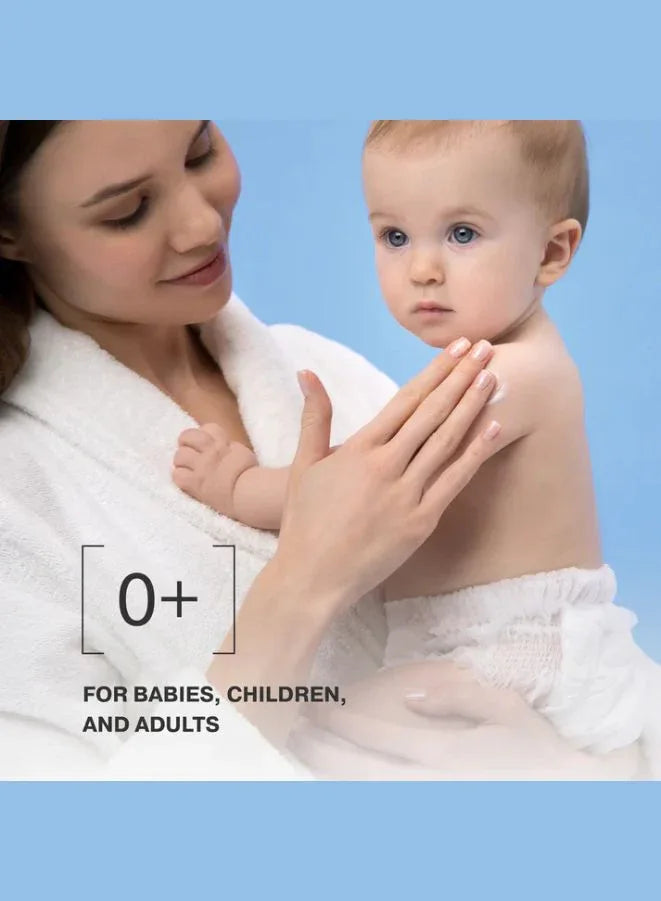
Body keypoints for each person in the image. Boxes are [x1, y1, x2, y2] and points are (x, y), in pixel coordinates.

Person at [0, 120, 648, 780]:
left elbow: (354, 484)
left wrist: (575, 776)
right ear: (8, 229)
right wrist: (303, 576)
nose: (201, 226)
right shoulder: (19, 506)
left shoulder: (331, 369)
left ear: (553, 251)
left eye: (200, 152)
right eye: (128, 210)